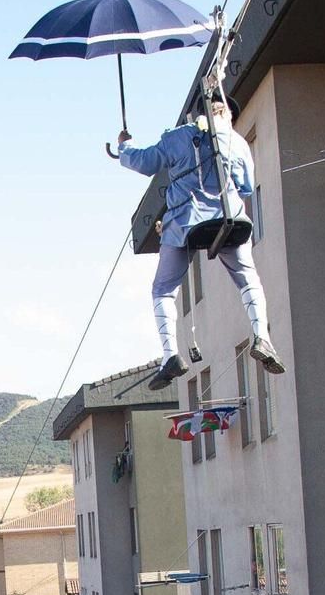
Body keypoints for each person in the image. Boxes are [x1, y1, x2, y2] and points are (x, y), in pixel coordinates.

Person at [115, 89, 281, 389]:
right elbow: (245, 187)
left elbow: (144, 162)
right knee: (249, 280)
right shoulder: (237, 143)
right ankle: (262, 337)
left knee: (163, 289)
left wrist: (125, 147)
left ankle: (170, 355)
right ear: (228, 115)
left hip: (184, 223)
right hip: (229, 221)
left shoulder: (178, 137)